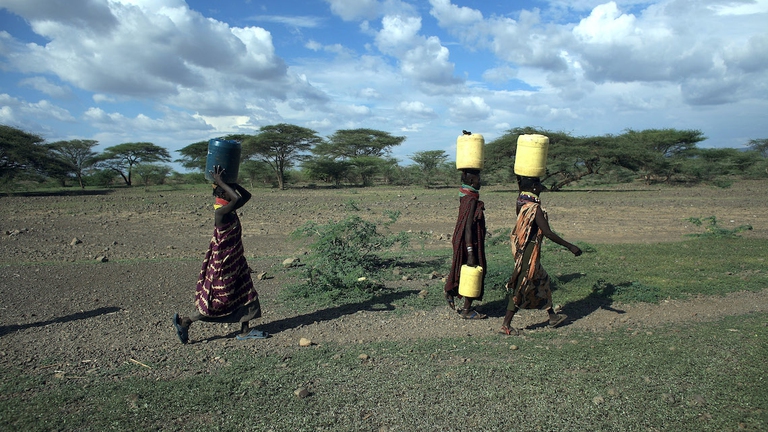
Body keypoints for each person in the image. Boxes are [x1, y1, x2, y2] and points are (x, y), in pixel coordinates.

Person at [173, 165, 268, 343]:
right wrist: (222, 182)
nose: (231, 193)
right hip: (223, 265)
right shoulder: (221, 213)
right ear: (223, 195)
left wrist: (233, 183)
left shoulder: (230, 209)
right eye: (227, 191)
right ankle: (185, 321)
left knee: (246, 292)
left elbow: (246, 196)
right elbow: (236, 198)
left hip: (236, 261)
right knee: (220, 300)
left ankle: (245, 330)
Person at [500, 176, 582, 335]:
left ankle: (552, 316)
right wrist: (570, 246)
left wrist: (520, 177)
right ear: (534, 187)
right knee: (520, 288)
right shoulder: (535, 209)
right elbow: (548, 233)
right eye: (538, 185)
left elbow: (521, 192)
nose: (541, 188)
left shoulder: (521, 204)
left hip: (525, 252)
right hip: (529, 254)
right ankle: (506, 325)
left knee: (542, 280)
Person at [444, 169, 487, 319]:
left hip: (461, 238)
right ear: (470, 182)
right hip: (469, 240)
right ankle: (466, 310)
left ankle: (450, 291)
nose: (480, 182)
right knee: (475, 269)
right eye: (477, 180)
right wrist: (470, 251)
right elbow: (468, 226)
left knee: (460, 267)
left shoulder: (465, 195)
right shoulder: (471, 200)